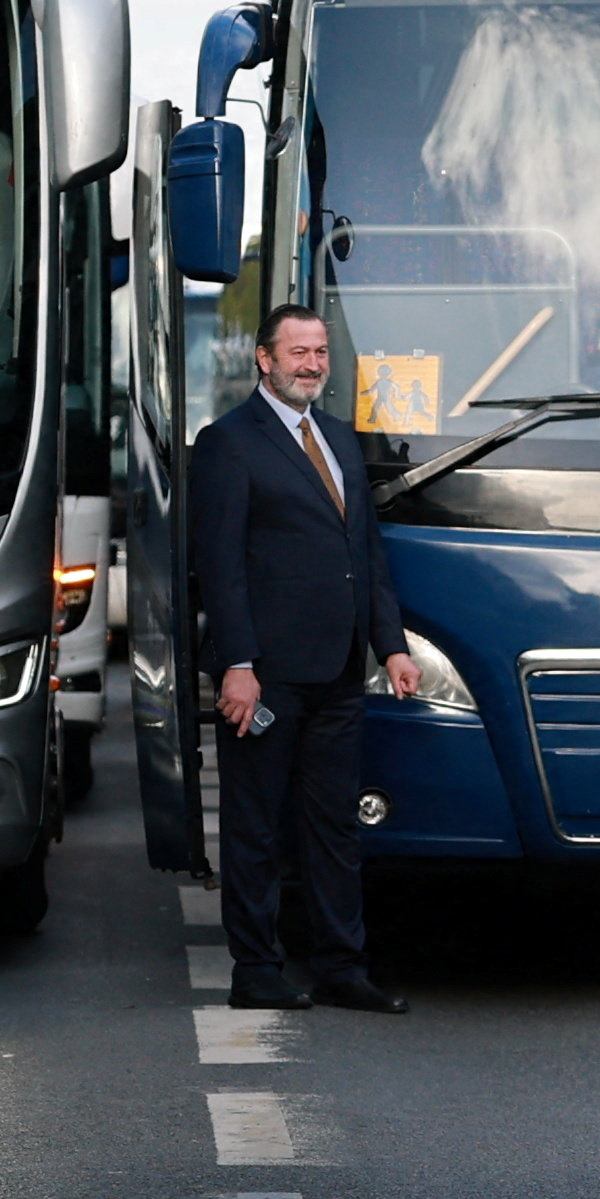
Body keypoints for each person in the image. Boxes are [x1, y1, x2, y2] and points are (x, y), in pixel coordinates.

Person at [184, 302, 417, 1013]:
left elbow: (365, 558)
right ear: (264, 359)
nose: (312, 365)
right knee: (255, 827)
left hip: (339, 670)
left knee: (335, 828)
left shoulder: (342, 440)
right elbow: (218, 567)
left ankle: (342, 969)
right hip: (267, 677)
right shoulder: (227, 443)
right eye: (298, 353)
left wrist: (393, 646)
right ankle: (256, 970)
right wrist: (239, 664)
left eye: (319, 353)